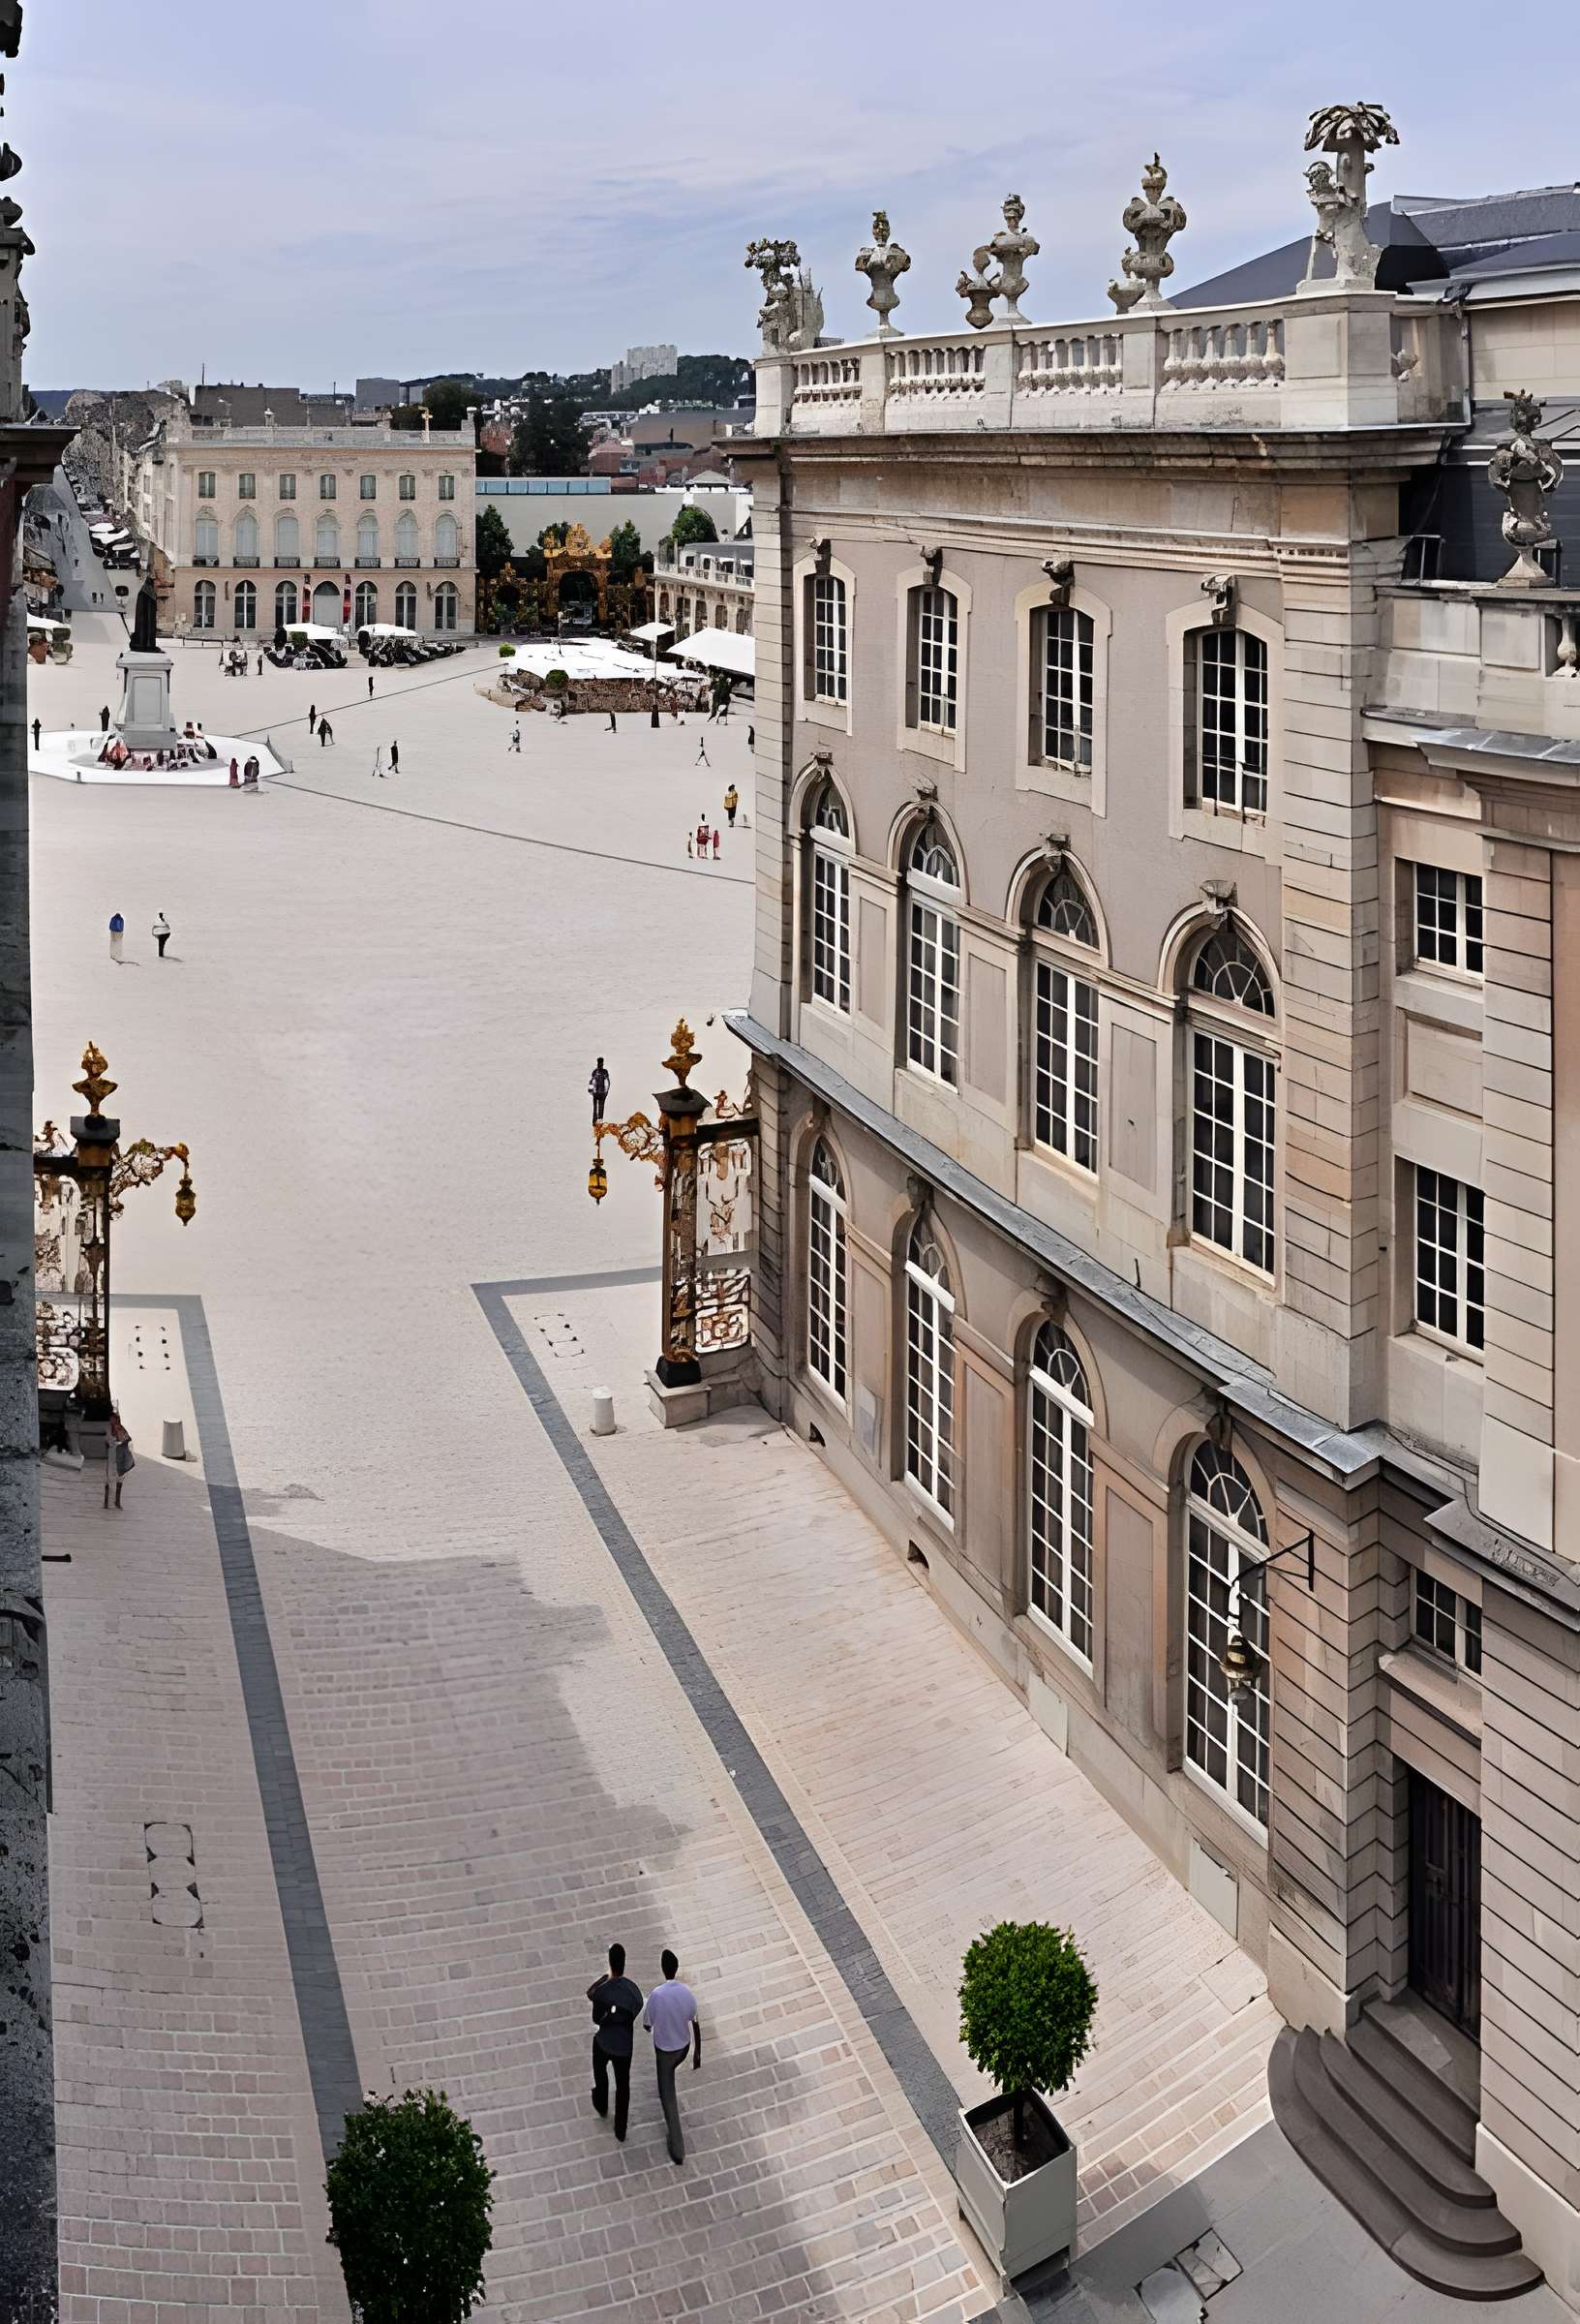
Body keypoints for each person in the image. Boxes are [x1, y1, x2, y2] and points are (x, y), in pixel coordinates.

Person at [643, 1949, 701, 2165]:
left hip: (665, 2051)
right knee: (670, 2082)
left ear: (662, 1968)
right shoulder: (686, 1993)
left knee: (667, 2096)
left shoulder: (657, 1995)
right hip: (684, 2047)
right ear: (676, 1969)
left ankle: (677, 2148)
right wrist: (697, 2053)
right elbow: (694, 2020)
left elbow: (647, 2025)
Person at [588, 1943, 644, 2144]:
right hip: (624, 2047)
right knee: (623, 2086)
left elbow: (596, 2018)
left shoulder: (602, 1992)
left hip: (604, 2042)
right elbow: (636, 2010)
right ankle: (621, 2128)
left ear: (610, 1964)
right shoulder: (633, 1991)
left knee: (600, 2071)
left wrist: (605, 1978)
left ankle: (601, 2103)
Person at [105, 1409, 134, 1512]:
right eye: (111, 1419)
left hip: (121, 1457)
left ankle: (117, 1501)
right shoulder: (108, 1429)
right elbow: (109, 1441)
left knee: (120, 1478)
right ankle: (107, 1502)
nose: (112, 1420)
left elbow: (128, 1440)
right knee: (109, 1478)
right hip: (112, 1456)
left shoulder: (122, 1428)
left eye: (114, 1419)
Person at [589, 1056, 610, 1126]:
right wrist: (606, 1091)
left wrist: (591, 1089)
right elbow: (592, 1081)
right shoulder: (603, 1072)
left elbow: (592, 1082)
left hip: (599, 1093)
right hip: (599, 1092)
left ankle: (596, 1122)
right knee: (599, 1107)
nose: (600, 1064)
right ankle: (597, 1122)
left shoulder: (597, 1072)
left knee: (599, 1107)